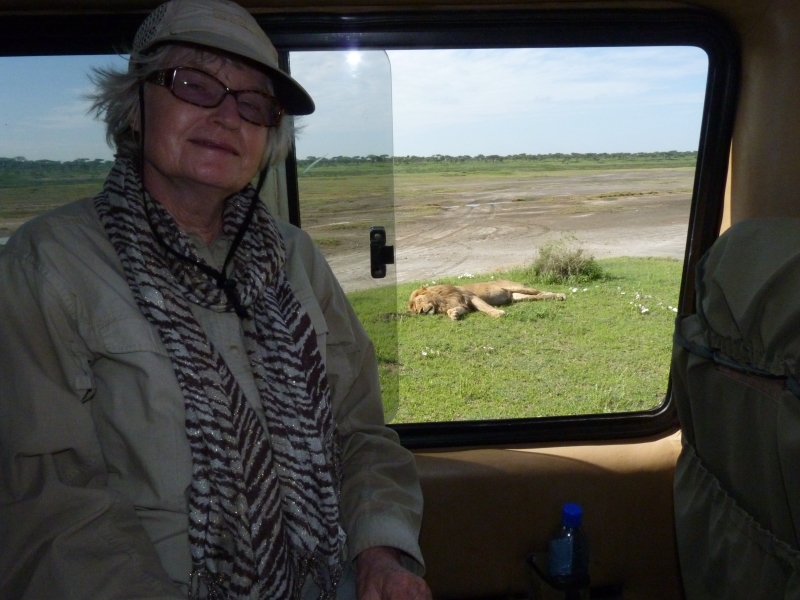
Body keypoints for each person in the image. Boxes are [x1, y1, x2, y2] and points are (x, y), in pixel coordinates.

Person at [0, 1, 432, 599]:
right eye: (195, 84)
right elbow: (47, 506)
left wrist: (379, 552)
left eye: (254, 103)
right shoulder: (47, 262)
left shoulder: (296, 258)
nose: (228, 116)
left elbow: (360, 433)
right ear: (135, 104)